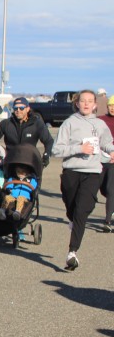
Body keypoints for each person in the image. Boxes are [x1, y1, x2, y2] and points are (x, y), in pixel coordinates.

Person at [51, 90, 114, 270]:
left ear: (95, 105)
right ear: (77, 103)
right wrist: (79, 148)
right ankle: (72, 218)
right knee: (72, 207)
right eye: (83, 101)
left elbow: (106, 142)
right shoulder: (69, 123)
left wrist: (111, 151)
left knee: (82, 210)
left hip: (93, 171)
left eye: (90, 101)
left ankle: (72, 252)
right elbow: (56, 150)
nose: (86, 104)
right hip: (71, 171)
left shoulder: (100, 124)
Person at [0, 96, 54, 162]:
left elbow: (48, 141)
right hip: (11, 160)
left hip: (30, 161)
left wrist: (46, 155)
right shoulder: (6, 123)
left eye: (21, 108)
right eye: (16, 108)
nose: (18, 110)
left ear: (27, 109)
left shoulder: (37, 123)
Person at [99, 96, 114, 231]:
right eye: (110, 105)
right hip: (101, 158)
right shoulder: (101, 120)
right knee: (103, 189)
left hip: (113, 160)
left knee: (110, 189)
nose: (112, 108)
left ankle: (107, 221)